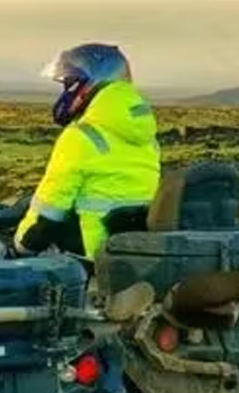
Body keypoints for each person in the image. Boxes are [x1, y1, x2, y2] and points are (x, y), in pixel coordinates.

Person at [14, 42, 160, 259]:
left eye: (72, 83)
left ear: (90, 83)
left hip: (91, 256)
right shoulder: (147, 138)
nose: (68, 91)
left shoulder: (80, 137)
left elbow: (49, 211)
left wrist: (21, 246)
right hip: (137, 253)